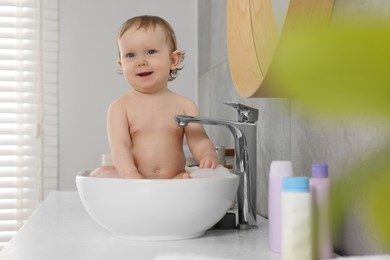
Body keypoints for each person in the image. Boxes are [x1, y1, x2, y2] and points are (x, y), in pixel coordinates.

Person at [90, 15, 219, 179]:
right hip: (136, 181)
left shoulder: (185, 105)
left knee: (190, 179)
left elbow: (199, 140)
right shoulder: (120, 107)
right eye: (130, 55)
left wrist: (208, 155)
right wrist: (130, 174)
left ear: (173, 60)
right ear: (122, 65)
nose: (141, 61)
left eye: (151, 52)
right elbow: (120, 146)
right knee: (103, 175)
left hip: (175, 180)